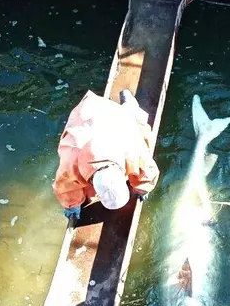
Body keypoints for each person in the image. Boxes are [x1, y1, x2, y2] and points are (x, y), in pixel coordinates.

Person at [53, 89, 159, 221]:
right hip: (86, 114)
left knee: (139, 125)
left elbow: (148, 169)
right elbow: (65, 185)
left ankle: (129, 105)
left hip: (115, 117)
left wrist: (142, 188)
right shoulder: (71, 158)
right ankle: (128, 107)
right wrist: (72, 204)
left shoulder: (130, 146)